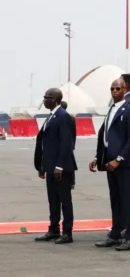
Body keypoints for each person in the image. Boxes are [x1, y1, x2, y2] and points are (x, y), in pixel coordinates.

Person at [89, 79, 130, 251]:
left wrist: (119, 159)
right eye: (112, 89)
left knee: (128, 200)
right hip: (109, 162)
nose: (114, 91)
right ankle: (115, 234)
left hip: (123, 163)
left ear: (125, 89)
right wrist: (98, 157)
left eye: (118, 88)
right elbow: (105, 135)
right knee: (115, 199)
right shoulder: (111, 109)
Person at [33, 88, 77, 244]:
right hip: (50, 166)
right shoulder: (51, 116)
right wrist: (42, 166)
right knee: (53, 200)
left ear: (55, 100)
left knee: (65, 200)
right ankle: (53, 229)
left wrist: (59, 166)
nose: (44, 100)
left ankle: (67, 232)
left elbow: (66, 144)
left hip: (61, 167)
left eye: (47, 97)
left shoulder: (63, 117)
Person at [60, 100, 77, 189]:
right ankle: (72, 182)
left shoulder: (62, 117)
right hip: (70, 143)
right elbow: (74, 132)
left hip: (64, 143)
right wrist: (73, 144)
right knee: (70, 164)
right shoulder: (72, 117)